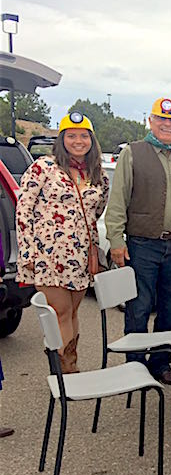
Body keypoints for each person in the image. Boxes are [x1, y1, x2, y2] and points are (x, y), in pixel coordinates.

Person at [104, 97, 171, 385]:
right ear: (150, 121)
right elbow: (118, 201)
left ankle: (161, 362)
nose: (167, 124)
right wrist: (116, 238)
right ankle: (135, 366)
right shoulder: (133, 154)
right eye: (161, 119)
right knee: (139, 306)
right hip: (141, 244)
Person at [16, 112, 109, 373]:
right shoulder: (43, 168)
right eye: (71, 136)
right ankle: (62, 369)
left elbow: (97, 209)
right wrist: (28, 253)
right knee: (60, 311)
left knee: (73, 312)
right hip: (48, 254)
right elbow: (23, 211)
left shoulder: (98, 174)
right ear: (61, 139)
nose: (78, 141)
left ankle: (71, 363)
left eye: (83, 136)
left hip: (80, 256)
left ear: (91, 140)